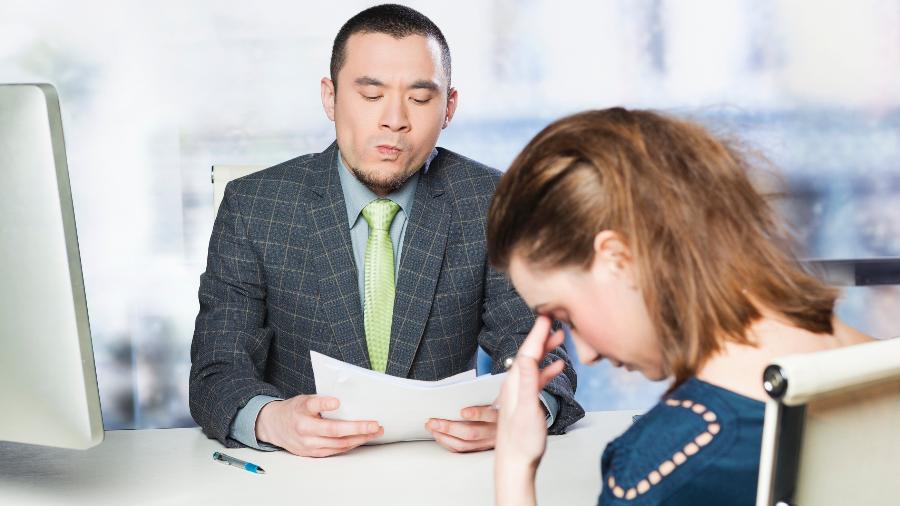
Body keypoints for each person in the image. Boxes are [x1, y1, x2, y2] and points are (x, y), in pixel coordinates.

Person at [189, 4, 584, 458]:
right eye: (371, 96)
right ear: (330, 97)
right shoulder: (254, 206)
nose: (394, 120)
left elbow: (536, 345)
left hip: (446, 468)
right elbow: (216, 370)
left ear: (449, 107)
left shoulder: (494, 200)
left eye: (419, 99)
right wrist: (268, 418)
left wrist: (524, 409)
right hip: (301, 476)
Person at [487, 108, 872, 505]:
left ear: (618, 258)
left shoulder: (662, 465)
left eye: (566, 316)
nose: (585, 352)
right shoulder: (877, 363)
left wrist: (514, 466)